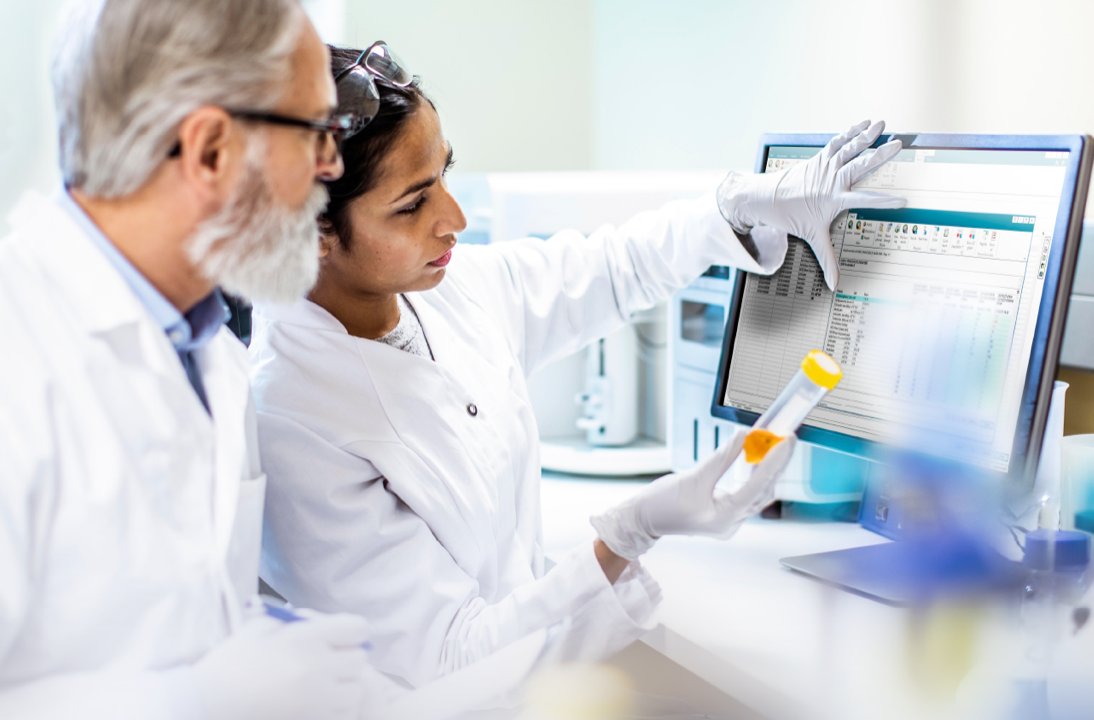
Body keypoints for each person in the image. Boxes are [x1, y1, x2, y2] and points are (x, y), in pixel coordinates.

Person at [250, 43, 907, 688]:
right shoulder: (290, 414)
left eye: (446, 173)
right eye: (413, 204)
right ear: (312, 234)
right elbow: (449, 662)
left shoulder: (447, 288)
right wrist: (629, 532)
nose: (455, 218)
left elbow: (614, 269)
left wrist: (733, 209)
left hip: (536, 676)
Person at [0, 3, 390, 719]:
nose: (331, 165)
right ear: (210, 151)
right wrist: (194, 700)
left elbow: (178, 613)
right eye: (316, 131)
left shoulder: (209, 354)